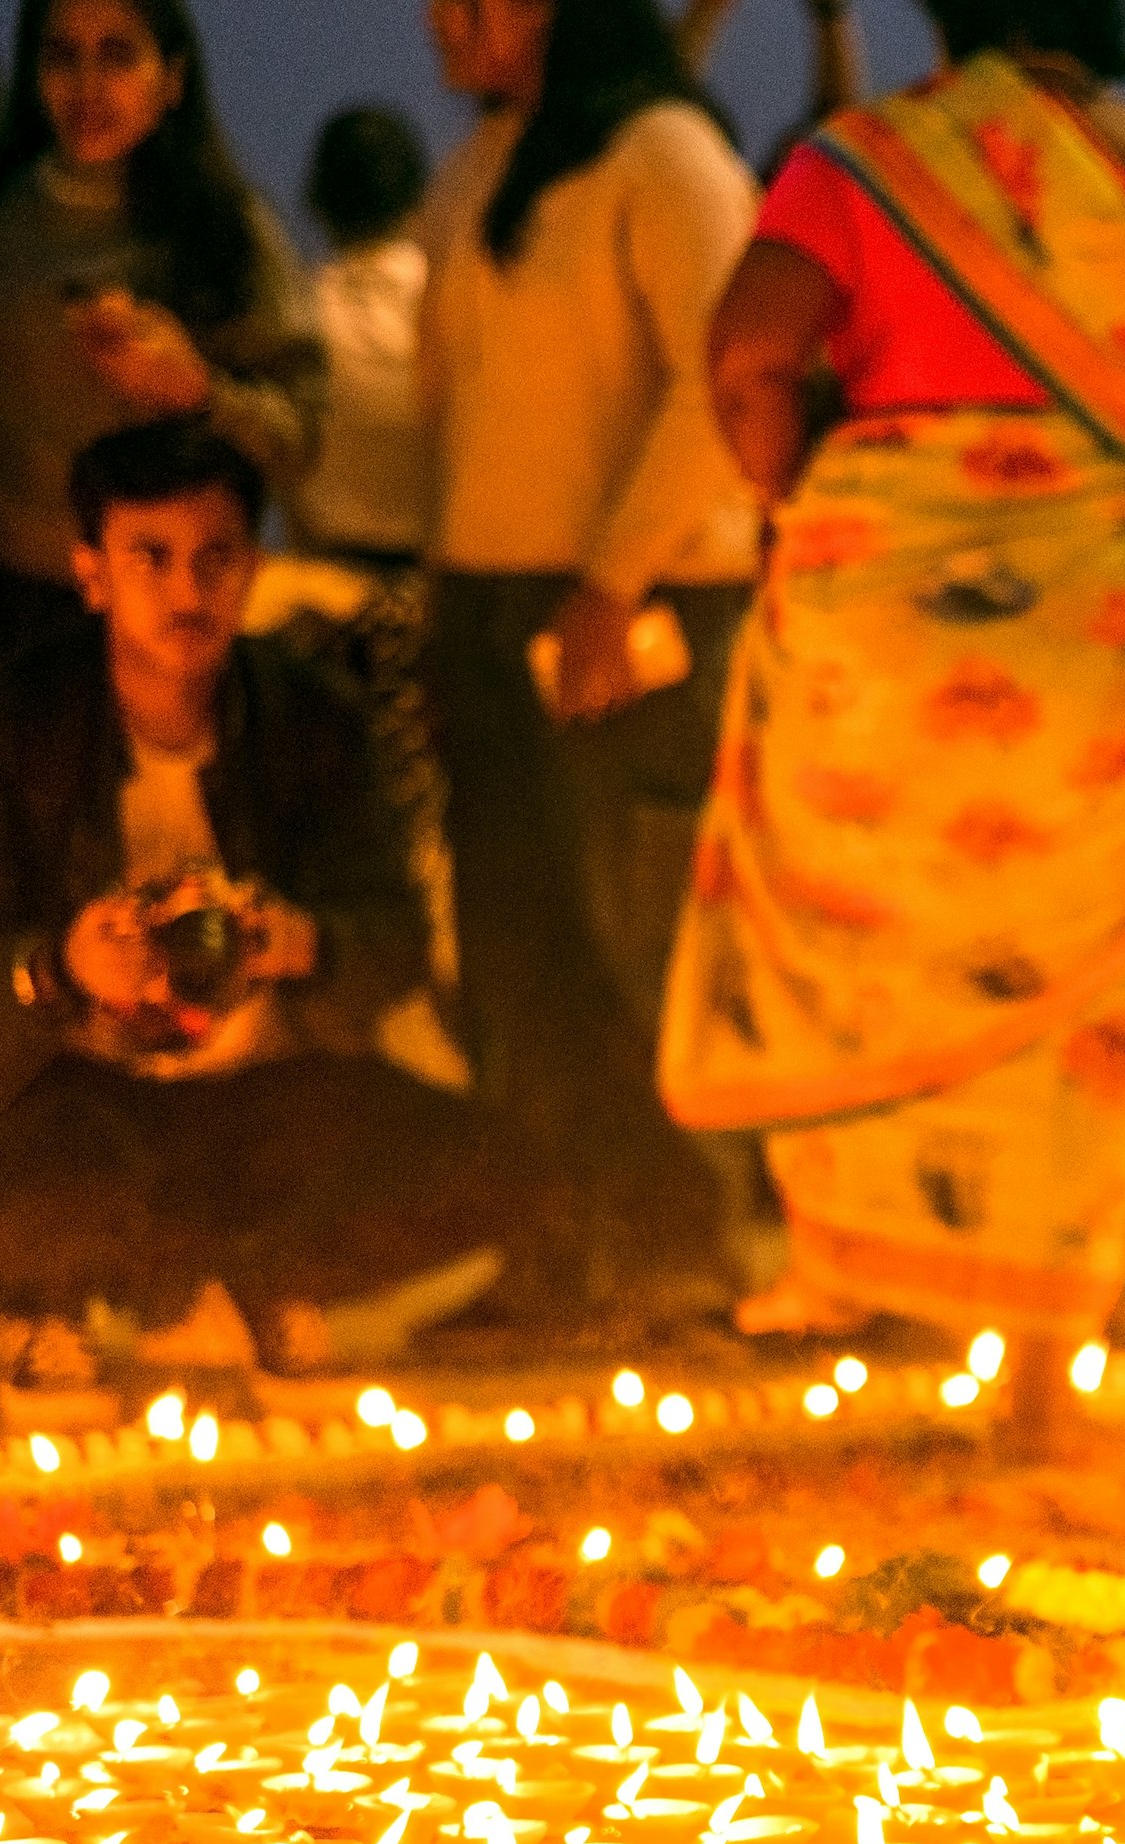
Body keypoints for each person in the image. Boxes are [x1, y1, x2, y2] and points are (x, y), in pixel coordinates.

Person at [684, 0, 1125, 1461]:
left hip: (889, 634)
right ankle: (1033, 1377)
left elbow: (747, 352)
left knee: (871, 941)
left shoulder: (859, 163)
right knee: (1088, 994)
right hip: (1096, 653)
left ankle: (849, 1280)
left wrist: (812, 501)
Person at [0, 421, 525, 1385]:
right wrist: (60, 970)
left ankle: (175, 1285)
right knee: (61, 1180)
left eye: (217, 558)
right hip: (71, 1094)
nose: (188, 593)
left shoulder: (306, 713)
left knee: (487, 1164)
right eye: (149, 559)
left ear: (253, 565)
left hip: (249, 1095)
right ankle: (191, 1286)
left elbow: (395, 932)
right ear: (92, 573)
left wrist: (305, 944)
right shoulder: (22, 721)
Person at [416, 0, 760, 1321]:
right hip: (488, 606)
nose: (450, 22)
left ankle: (675, 1251)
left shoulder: (666, 157)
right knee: (518, 951)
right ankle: (549, 1249)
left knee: (635, 941)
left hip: (638, 605)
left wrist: (616, 580)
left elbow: (717, 382)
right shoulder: (485, 171)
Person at [0, 0, 320, 661]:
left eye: (118, 55)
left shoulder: (224, 232)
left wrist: (197, 390)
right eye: (63, 56)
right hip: (21, 607)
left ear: (172, 78)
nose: (88, 86)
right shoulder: (11, 224)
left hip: (175, 611)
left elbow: (298, 444)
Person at [294, 103, 431, 567]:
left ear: (318, 200)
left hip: (329, 567)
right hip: (441, 569)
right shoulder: (447, 303)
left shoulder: (301, 310)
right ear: (419, 196)